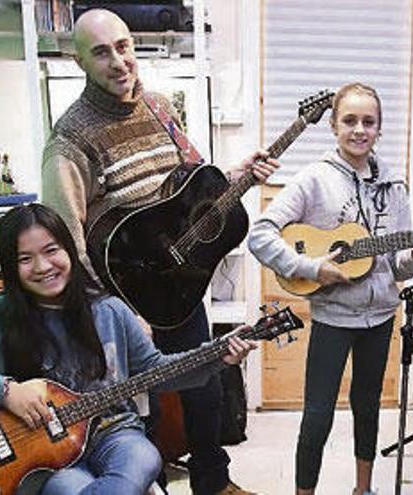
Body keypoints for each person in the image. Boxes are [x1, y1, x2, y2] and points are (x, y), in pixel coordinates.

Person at [41, 9, 278, 495]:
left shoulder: (159, 107)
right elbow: (65, 237)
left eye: (123, 46)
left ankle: (213, 483)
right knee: (133, 409)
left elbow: (191, 188)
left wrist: (236, 178)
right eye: (102, 52)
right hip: (120, 299)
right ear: (79, 59)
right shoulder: (70, 139)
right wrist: (113, 312)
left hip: (177, 284)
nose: (119, 62)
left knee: (205, 387)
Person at [0, 203, 256, 494]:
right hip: (44, 450)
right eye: (25, 259)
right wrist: (4, 391)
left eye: (51, 250)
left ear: (69, 250)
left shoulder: (110, 311)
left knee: (144, 458)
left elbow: (156, 371)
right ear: (10, 267)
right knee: (70, 488)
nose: (43, 266)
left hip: (113, 431)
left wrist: (217, 356)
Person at [247, 82, 413, 494]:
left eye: (368, 122)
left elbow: (398, 267)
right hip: (333, 318)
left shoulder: (395, 186)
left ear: (379, 129)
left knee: (367, 407)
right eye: (349, 120)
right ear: (333, 125)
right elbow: (260, 234)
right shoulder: (314, 179)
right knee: (317, 415)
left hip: (381, 317)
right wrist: (310, 267)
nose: (359, 130)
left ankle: (363, 488)